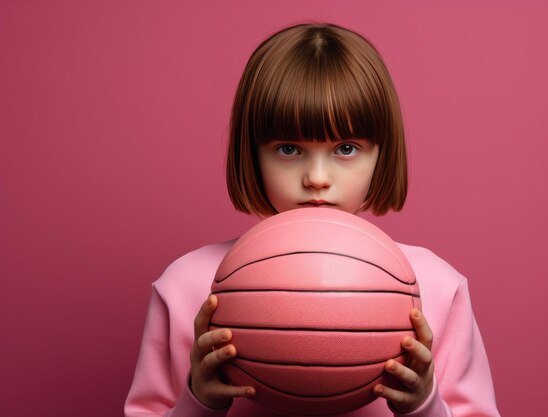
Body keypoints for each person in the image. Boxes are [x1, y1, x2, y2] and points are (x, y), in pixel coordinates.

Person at [125, 23, 500, 417]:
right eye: (289, 149)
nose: (317, 179)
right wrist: (199, 400)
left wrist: (424, 405)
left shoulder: (438, 288)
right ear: (251, 154)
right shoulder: (185, 287)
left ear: (382, 154)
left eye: (346, 148)